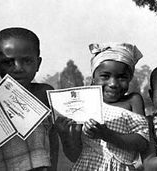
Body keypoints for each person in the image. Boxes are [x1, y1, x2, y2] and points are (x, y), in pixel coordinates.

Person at [56, 42, 149, 171]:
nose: (113, 84)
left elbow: (142, 142)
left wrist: (107, 134)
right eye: (105, 76)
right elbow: (74, 156)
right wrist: (64, 134)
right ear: (93, 77)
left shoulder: (133, 101)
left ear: (130, 78)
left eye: (122, 77)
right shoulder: (85, 104)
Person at [0, 27, 59, 170]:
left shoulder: (44, 94)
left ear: (38, 63)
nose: (18, 68)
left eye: (27, 61)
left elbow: (53, 136)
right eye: (8, 62)